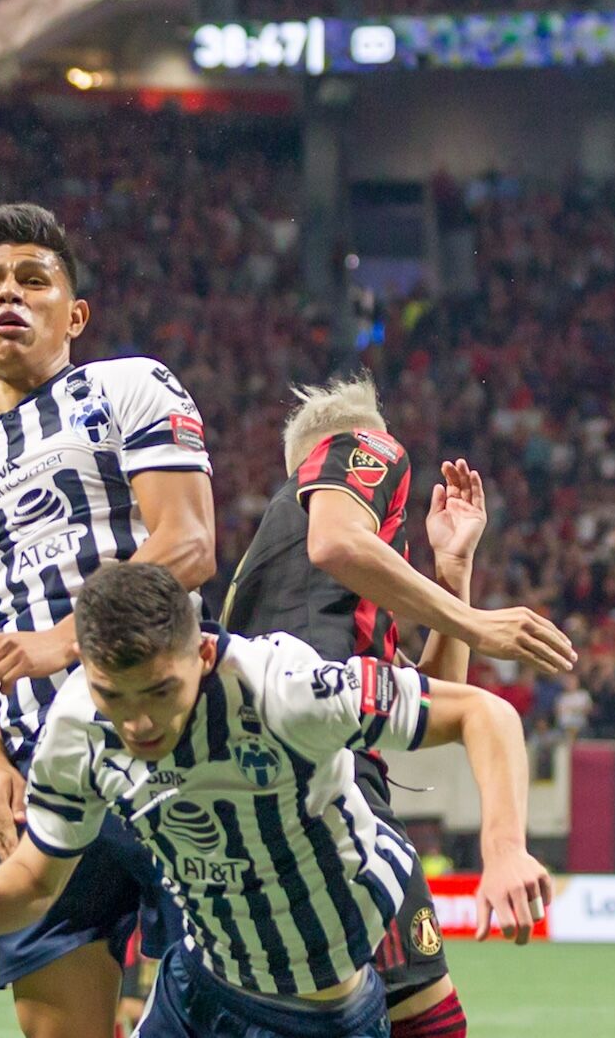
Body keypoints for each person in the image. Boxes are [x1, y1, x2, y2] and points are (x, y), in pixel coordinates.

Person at [0, 563, 553, 1038]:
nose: (138, 723)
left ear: (201, 654)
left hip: (321, 1008)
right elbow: (38, 877)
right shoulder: (77, 727)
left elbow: (483, 713)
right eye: (114, 695)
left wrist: (503, 851)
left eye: (159, 691)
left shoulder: (285, 689)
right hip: (200, 981)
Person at [0, 203, 214, 1037]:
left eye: (34, 280)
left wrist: (56, 645)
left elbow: (188, 544)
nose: (11, 294)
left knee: (215, 1009)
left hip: (168, 744)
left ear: (73, 315)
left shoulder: (126, 387)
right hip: (45, 784)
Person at [221, 374, 575, 1036]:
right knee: (429, 1025)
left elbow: (435, 693)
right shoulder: (365, 446)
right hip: (329, 784)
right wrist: (481, 625)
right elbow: (338, 539)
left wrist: (453, 571)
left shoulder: (289, 585)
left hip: (257, 799)